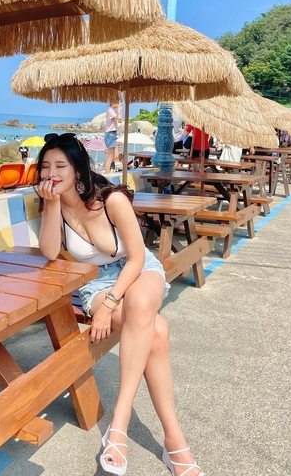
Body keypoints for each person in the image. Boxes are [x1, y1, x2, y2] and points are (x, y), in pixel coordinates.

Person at [37, 133, 204, 476]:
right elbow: (50, 252)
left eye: (60, 166)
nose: (51, 173)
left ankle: (119, 425)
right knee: (157, 331)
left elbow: (138, 257)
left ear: (77, 169)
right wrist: (51, 205)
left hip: (137, 269)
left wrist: (110, 306)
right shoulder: (53, 205)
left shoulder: (111, 200)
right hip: (96, 281)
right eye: (45, 166)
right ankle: (175, 444)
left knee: (141, 304)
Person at [103, 101, 122, 174]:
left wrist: (119, 110)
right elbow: (119, 118)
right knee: (110, 157)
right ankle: (107, 173)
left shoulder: (111, 111)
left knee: (112, 156)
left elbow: (119, 121)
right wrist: (119, 109)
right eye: (119, 102)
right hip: (110, 134)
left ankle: (107, 172)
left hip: (111, 134)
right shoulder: (110, 110)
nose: (120, 104)